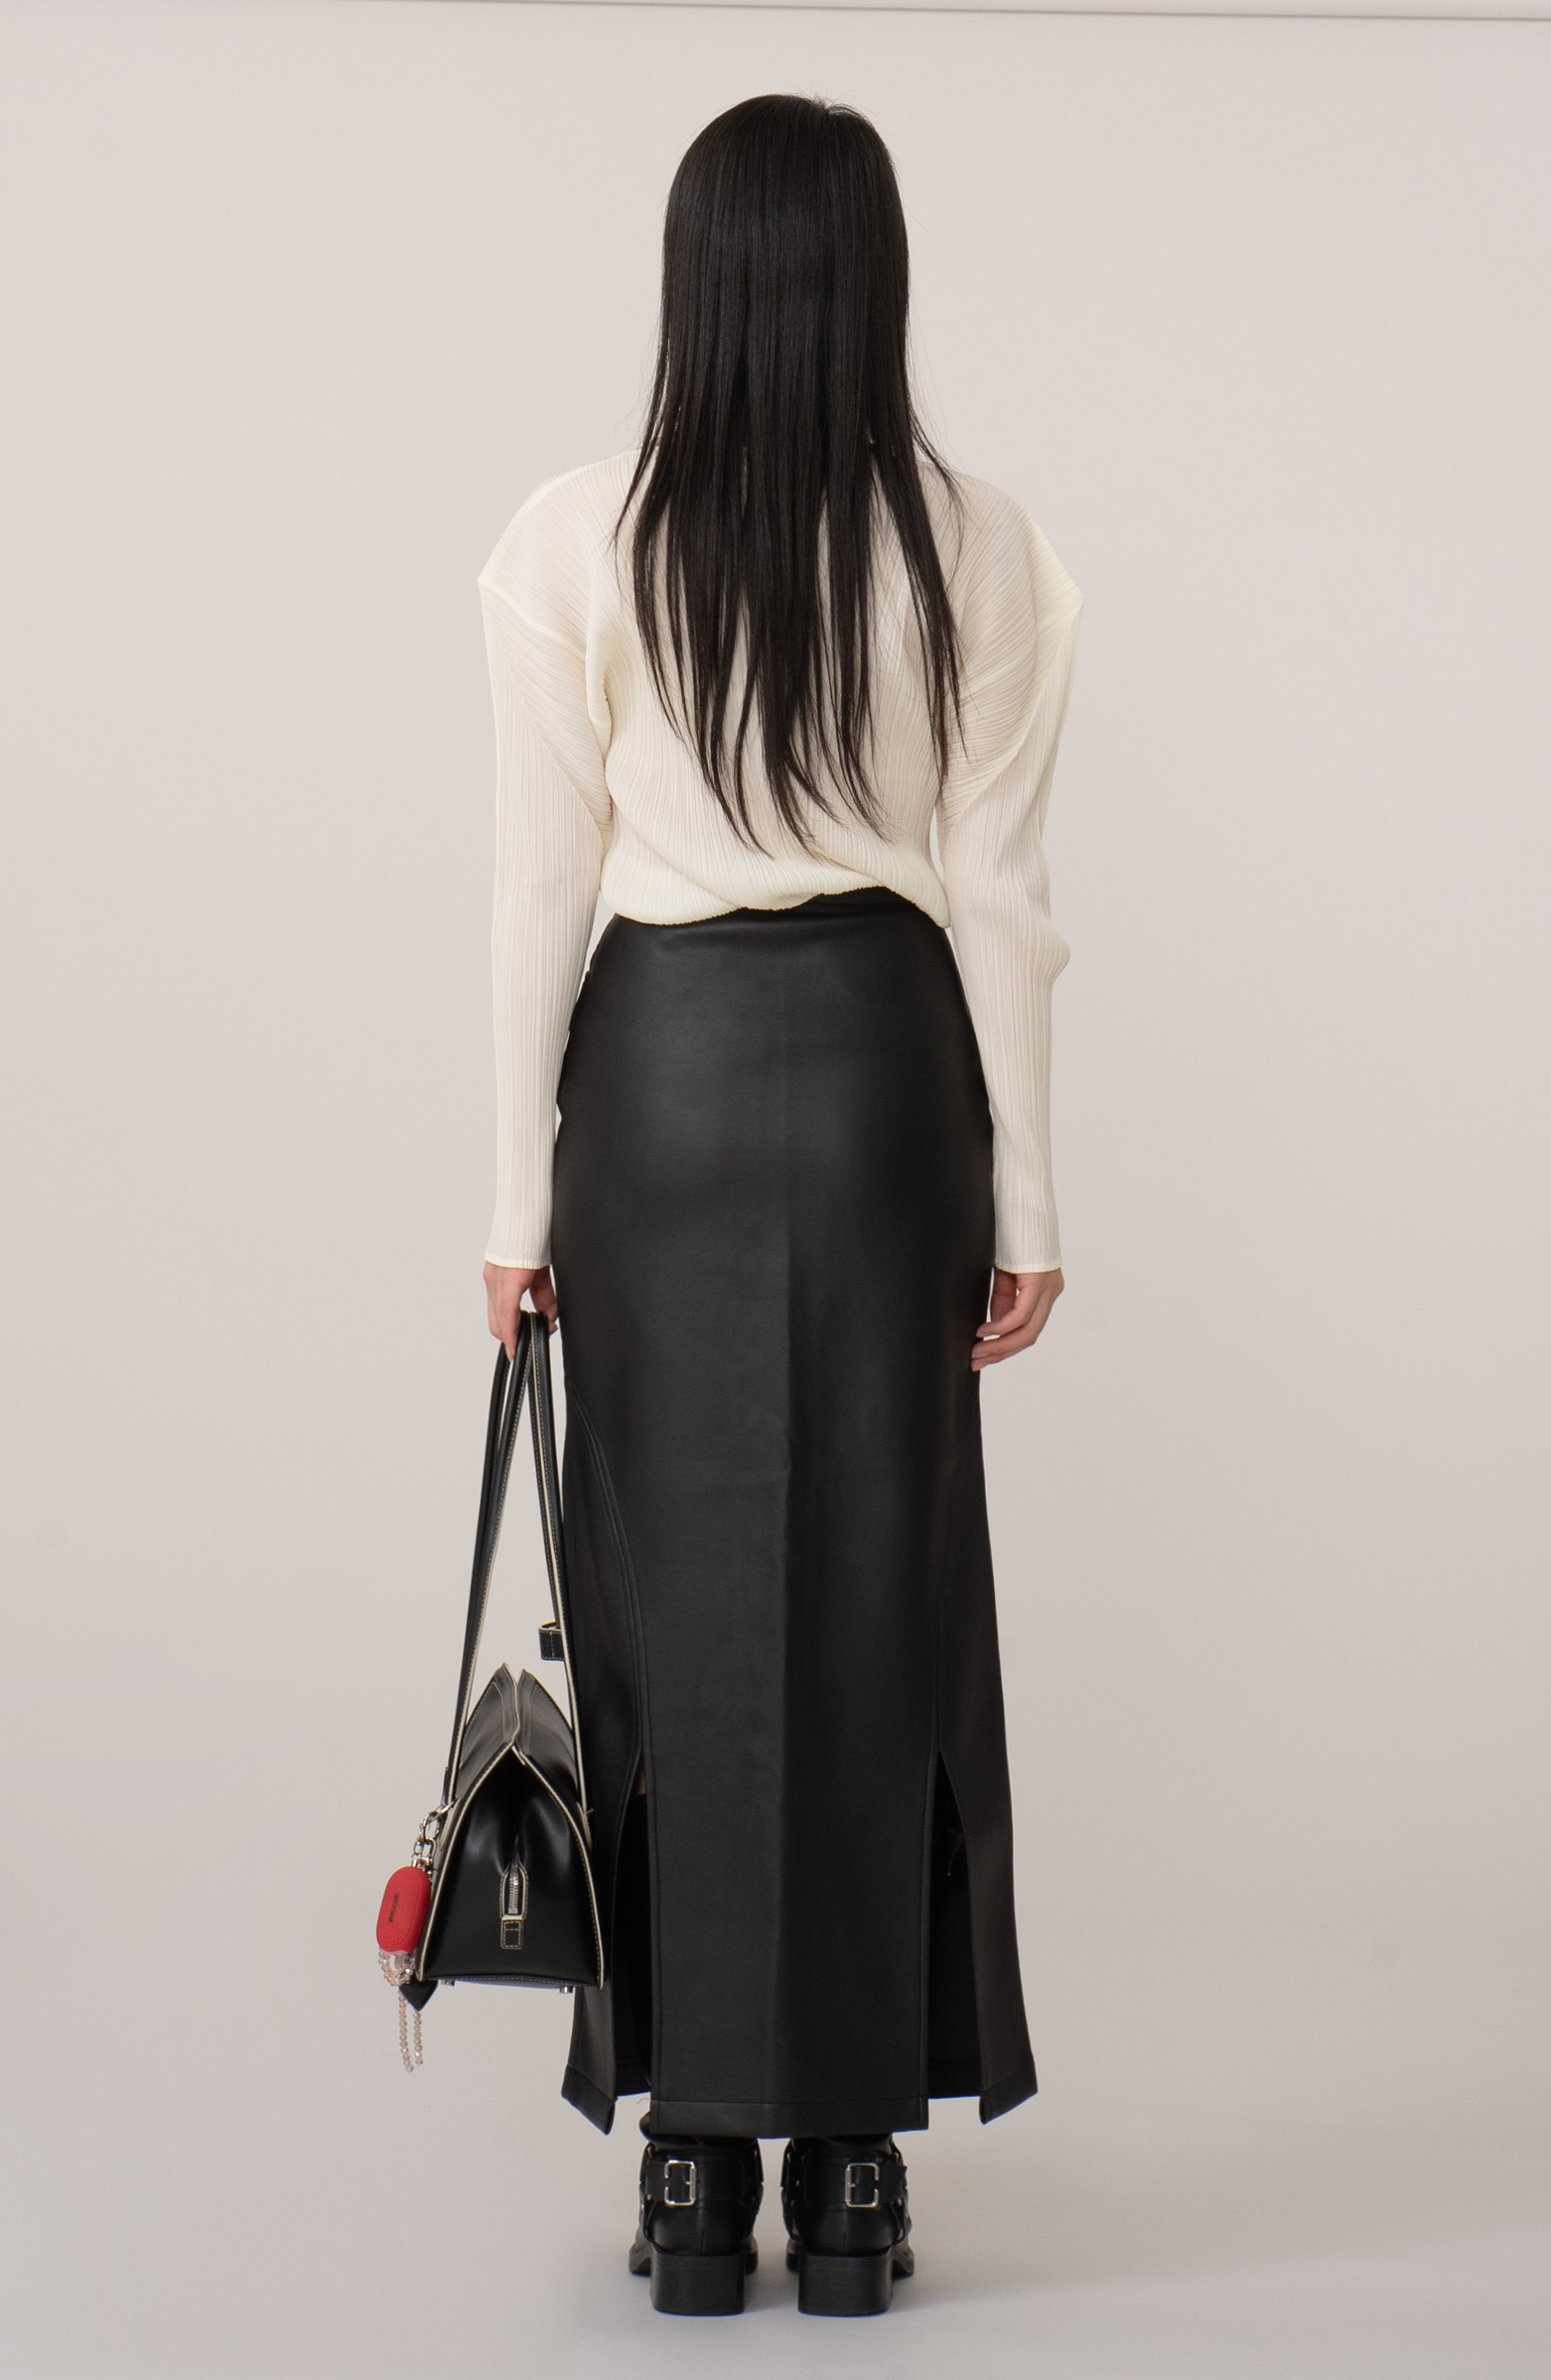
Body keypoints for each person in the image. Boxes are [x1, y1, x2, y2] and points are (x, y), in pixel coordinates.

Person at [478, 93, 1082, 2318]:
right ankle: (849, 2161)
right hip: (885, 1077)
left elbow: (537, 891)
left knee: (655, 1605)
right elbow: (999, 897)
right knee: (876, 1600)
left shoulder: (576, 535)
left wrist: (512, 1191)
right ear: (873, 279)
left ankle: (685, 2158)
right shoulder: (975, 546)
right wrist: (1028, 1190)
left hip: (653, 1087)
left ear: (695, 280)